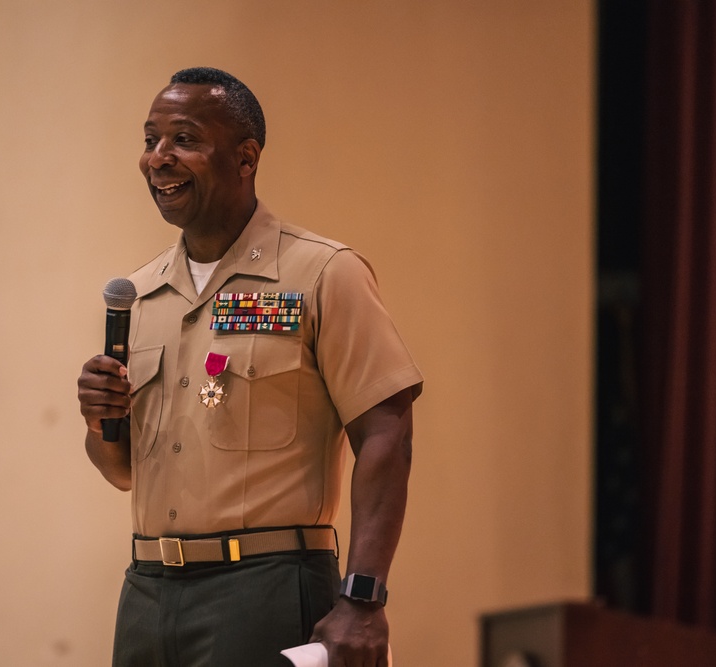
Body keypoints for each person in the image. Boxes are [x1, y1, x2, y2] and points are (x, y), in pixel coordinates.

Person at [77, 67, 423, 667]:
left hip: (263, 587)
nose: (158, 158)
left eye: (183, 139)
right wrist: (99, 420)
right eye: (150, 139)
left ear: (245, 158)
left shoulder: (321, 274)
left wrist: (363, 600)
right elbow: (124, 471)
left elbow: (387, 433)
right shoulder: (139, 295)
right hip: (147, 591)